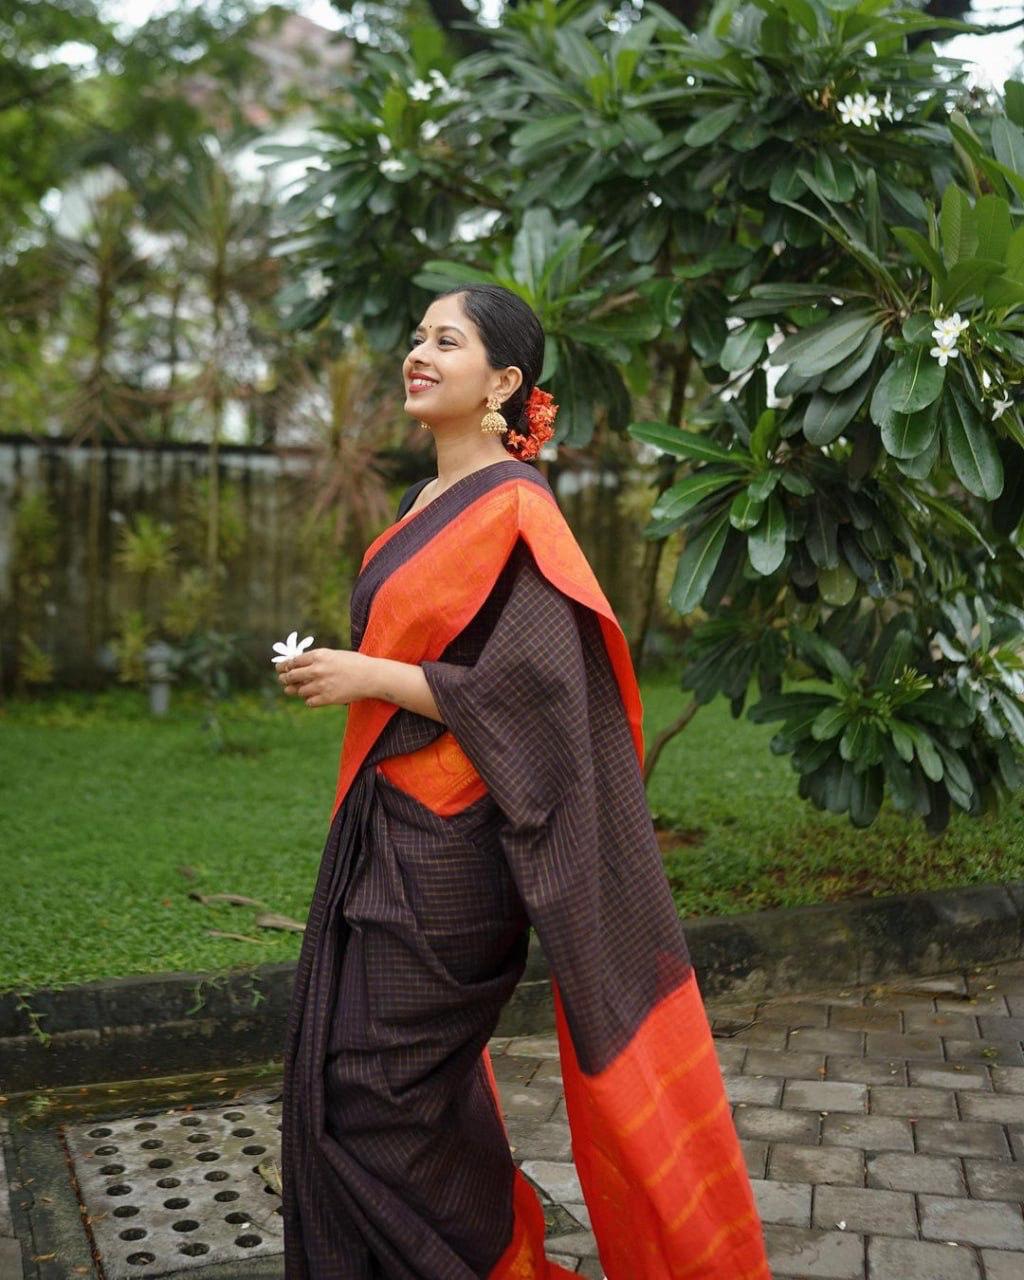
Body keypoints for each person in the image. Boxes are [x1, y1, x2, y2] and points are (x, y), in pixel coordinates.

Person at [276, 283, 771, 1279]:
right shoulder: (426, 502)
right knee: (370, 1083)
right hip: (391, 829)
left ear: (504, 381)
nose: (417, 353)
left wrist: (369, 674)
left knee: (374, 1092)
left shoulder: (517, 511)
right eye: (414, 335)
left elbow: (538, 691)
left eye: (444, 340)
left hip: (454, 859)